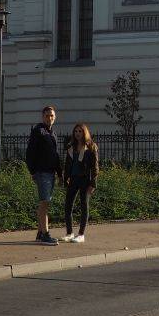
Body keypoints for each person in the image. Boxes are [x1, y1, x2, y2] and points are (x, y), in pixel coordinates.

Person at [25, 105, 61, 245]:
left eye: (52, 115)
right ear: (43, 117)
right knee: (44, 202)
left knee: (45, 202)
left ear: (55, 117)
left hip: (51, 172)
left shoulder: (53, 133)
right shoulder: (38, 131)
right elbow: (30, 153)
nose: (49, 118)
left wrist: (60, 173)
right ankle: (45, 234)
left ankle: (40, 232)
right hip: (42, 172)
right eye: (47, 115)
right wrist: (33, 171)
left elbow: (56, 156)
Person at [63, 123, 99, 243]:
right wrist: (65, 178)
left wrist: (93, 184)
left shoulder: (91, 147)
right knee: (68, 206)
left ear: (84, 133)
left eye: (80, 131)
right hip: (73, 179)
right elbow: (67, 164)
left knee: (84, 206)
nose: (77, 133)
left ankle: (81, 234)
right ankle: (69, 233)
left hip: (85, 180)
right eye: (76, 131)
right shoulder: (71, 147)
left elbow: (95, 167)